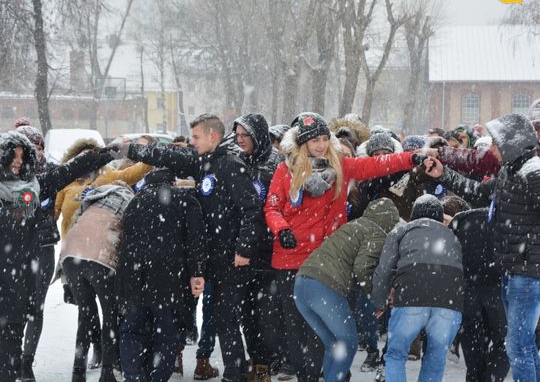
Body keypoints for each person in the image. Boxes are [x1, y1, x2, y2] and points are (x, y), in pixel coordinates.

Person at [264, 112, 424, 382]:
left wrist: (409, 158)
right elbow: (272, 206)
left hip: (330, 262)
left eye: (325, 139)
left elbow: (375, 165)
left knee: (330, 332)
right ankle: (308, 377)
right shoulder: (286, 169)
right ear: (303, 142)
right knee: (298, 330)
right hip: (290, 260)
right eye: (315, 140)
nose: (321, 145)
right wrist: (282, 229)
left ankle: (333, 376)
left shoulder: (341, 166)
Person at [112, 114, 263, 382]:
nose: (192, 142)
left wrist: (244, 248)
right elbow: (170, 157)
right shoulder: (202, 162)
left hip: (231, 258)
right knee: (217, 317)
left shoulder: (231, 165)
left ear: (213, 137)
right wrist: (132, 149)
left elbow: (252, 210)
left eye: (196, 137)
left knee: (227, 320)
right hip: (210, 257)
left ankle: (235, 374)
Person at [423, 113, 540, 381]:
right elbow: (478, 192)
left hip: (528, 273)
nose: (493, 151)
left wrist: (531, 251)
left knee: (518, 346)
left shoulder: (533, 173)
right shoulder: (511, 171)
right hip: (514, 270)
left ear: (512, 144)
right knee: (525, 344)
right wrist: (444, 175)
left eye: (497, 144)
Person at [0, 131, 112, 381]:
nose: (17, 161)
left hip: (18, 289)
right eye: (12, 156)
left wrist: (99, 156)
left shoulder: (34, 187)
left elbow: (65, 173)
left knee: (8, 362)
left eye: (22, 156)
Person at [294, 198, 400, 382]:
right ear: (390, 220)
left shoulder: (354, 225)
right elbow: (362, 268)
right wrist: (376, 299)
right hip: (325, 287)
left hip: (302, 283)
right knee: (348, 343)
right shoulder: (377, 233)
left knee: (333, 343)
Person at [116, 168, 206, 382]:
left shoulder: (135, 202)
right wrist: (197, 272)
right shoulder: (185, 200)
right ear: (172, 182)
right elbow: (196, 241)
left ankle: (134, 377)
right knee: (166, 332)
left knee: (131, 330)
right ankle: (157, 377)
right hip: (168, 277)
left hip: (133, 275)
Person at [371, 195, 464, 382]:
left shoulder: (401, 231)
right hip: (450, 299)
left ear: (413, 215)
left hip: (411, 294)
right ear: (440, 217)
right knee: (436, 356)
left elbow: (384, 270)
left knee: (396, 354)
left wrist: (378, 302)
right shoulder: (453, 236)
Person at [59, 182, 134, 382]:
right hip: (100, 256)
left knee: (86, 314)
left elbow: (75, 223)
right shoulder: (129, 201)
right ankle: (108, 372)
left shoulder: (94, 198)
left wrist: (65, 279)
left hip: (71, 254)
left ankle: (78, 372)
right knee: (110, 314)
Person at [232, 114, 282, 382]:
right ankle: (257, 361)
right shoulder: (236, 162)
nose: (240, 141)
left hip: (269, 251)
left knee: (268, 316)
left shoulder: (276, 165)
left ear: (259, 135)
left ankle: (267, 362)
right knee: (246, 313)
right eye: (237, 136)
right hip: (241, 248)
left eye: (245, 136)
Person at [449, 208, 509, 382]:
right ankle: (491, 376)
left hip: (469, 288)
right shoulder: (504, 218)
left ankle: (475, 376)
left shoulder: (460, 220)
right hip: (497, 288)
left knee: (473, 338)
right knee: (502, 342)